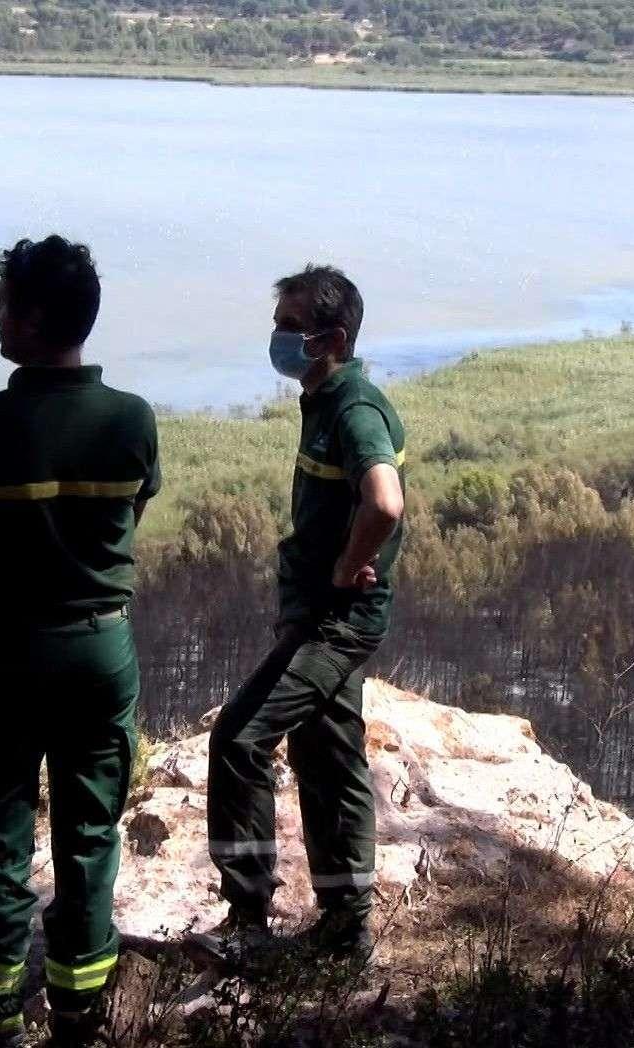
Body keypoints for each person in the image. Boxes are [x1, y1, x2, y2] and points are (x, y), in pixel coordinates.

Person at [0, 236, 160, 1048]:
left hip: (3, 653)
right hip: (98, 651)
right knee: (90, 836)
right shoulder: (131, 418)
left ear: (31, 323)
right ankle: (77, 1014)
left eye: (3, 304)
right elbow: (129, 510)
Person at [195, 265, 406, 965]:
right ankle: (346, 932)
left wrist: (347, 568)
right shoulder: (325, 400)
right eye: (279, 323)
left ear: (331, 338)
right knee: (328, 755)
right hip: (321, 611)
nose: (278, 338)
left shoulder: (353, 406)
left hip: (336, 620)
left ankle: (246, 917)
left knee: (239, 738)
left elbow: (384, 501)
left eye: (290, 326)